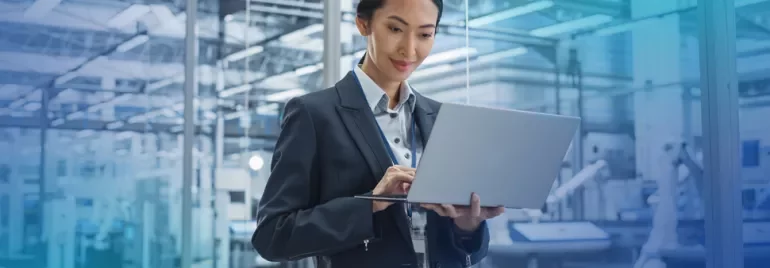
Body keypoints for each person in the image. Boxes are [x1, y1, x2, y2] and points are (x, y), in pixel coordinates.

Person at [251, 0, 505, 267]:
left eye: (424, 34)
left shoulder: (442, 118)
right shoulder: (313, 115)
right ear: (363, 23)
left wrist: (467, 226)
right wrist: (370, 204)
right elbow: (272, 236)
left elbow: (467, 252)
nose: (409, 49)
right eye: (395, 29)